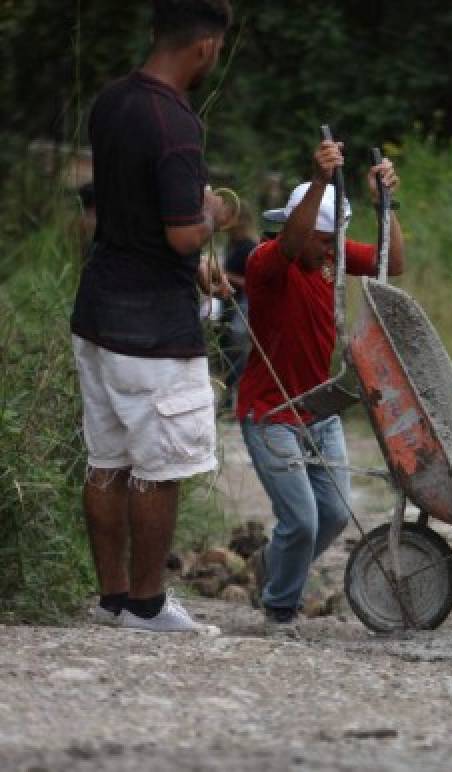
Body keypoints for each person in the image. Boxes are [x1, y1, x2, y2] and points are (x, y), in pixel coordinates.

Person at [69, 0, 234, 633]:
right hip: (152, 330)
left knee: (107, 459)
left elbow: (131, 210)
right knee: (159, 466)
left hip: (99, 310)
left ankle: (112, 600)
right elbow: (184, 234)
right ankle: (146, 605)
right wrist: (214, 211)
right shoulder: (176, 125)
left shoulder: (111, 102)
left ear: (154, 34)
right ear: (205, 48)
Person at [238, 138, 405, 627]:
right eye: (322, 239)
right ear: (298, 228)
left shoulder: (328, 256)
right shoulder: (269, 262)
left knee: (331, 515)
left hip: (317, 410)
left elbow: (390, 263)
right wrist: (320, 180)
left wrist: (386, 205)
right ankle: (280, 608)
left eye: (336, 240)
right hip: (270, 413)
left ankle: (271, 570)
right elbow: (294, 241)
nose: (330, 250)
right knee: (302, 520)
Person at [218, 206, 259, 407]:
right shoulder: (232, 246)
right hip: (229, 306)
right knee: (228, 351)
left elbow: (252, 282)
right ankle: (229, 398)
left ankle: (231, 397)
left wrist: (225, 276)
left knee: (238, 352)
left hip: (243, 304)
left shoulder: (248, 248)